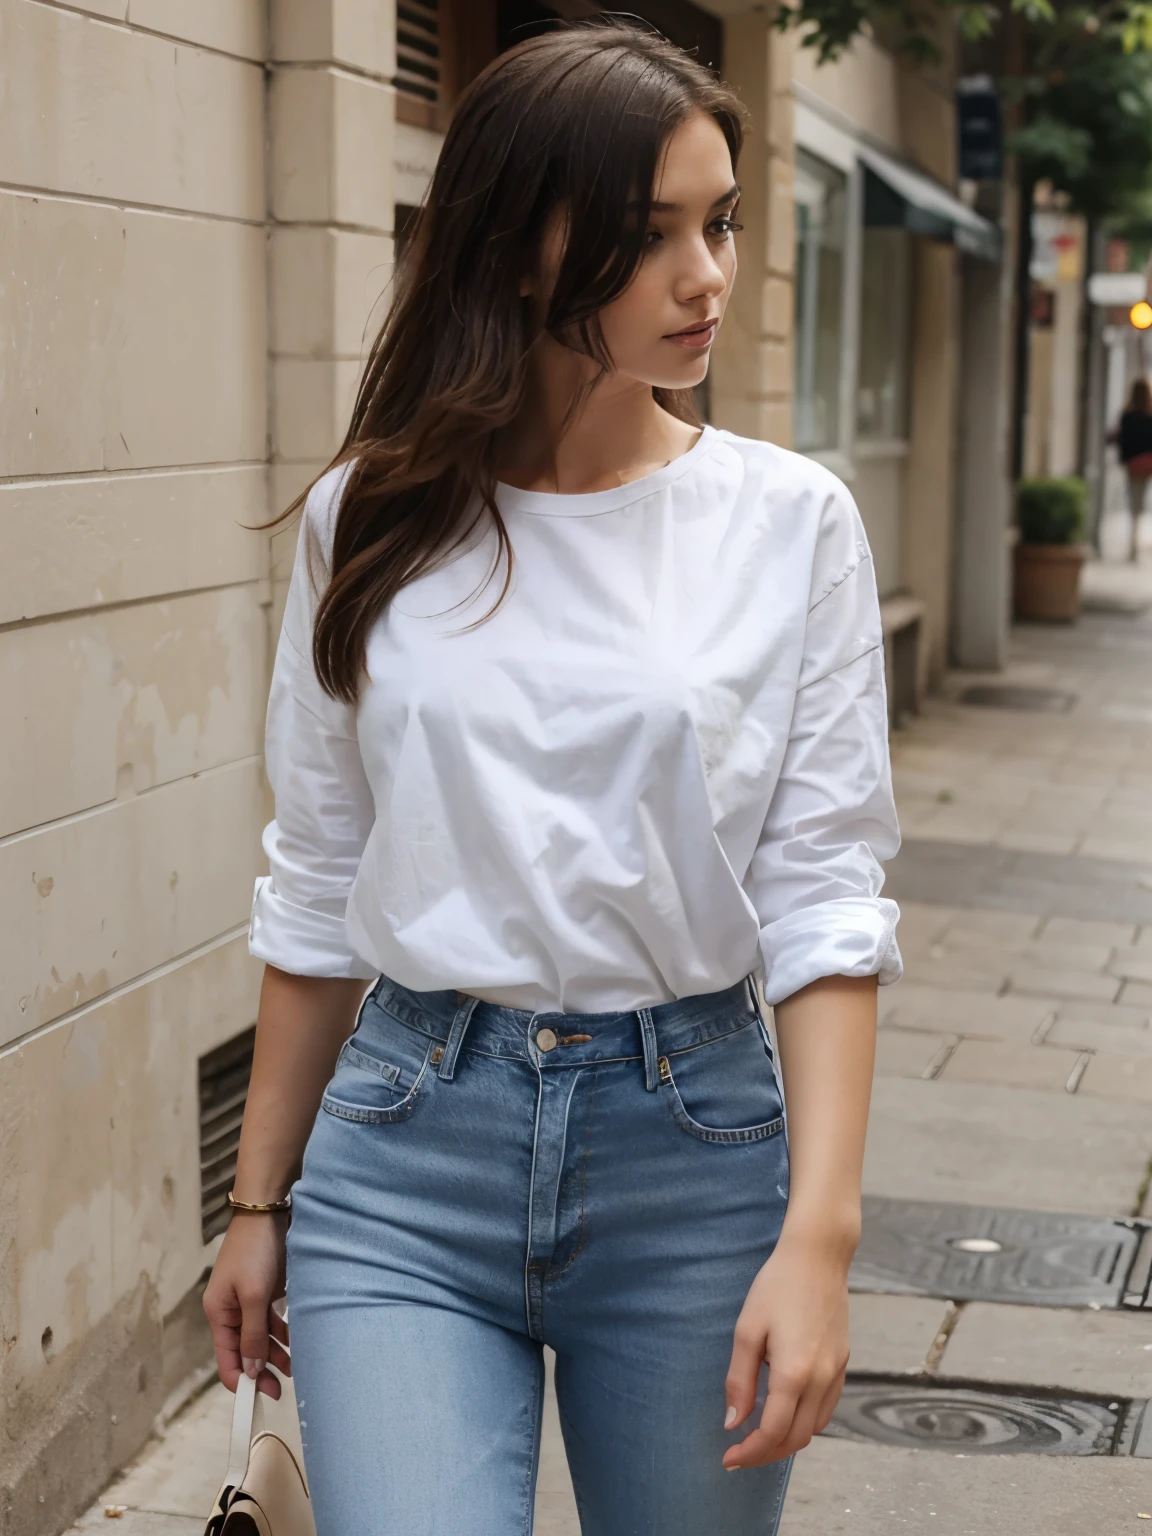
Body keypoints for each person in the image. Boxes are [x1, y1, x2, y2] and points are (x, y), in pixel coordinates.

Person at [203, 20, 901, 1536]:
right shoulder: (370, 523)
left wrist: (820, 1243)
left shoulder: (789, 527)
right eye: (652, 236)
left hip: (693, 1156)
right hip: (404, 1154)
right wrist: (259, 1206)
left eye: (716, 223)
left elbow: (826, 898)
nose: (706, 273)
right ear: (521, 249)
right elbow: (319, 878)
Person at [1114, 377, 1152, 561]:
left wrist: (1124, 459)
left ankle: (1134, 543)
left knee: (1134, 503)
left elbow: (1124, 442)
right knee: (1140, 501)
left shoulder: (1127, 416)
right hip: (1148, 463)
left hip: (1133, 464)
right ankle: (1135, 543)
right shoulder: (1149, 415)